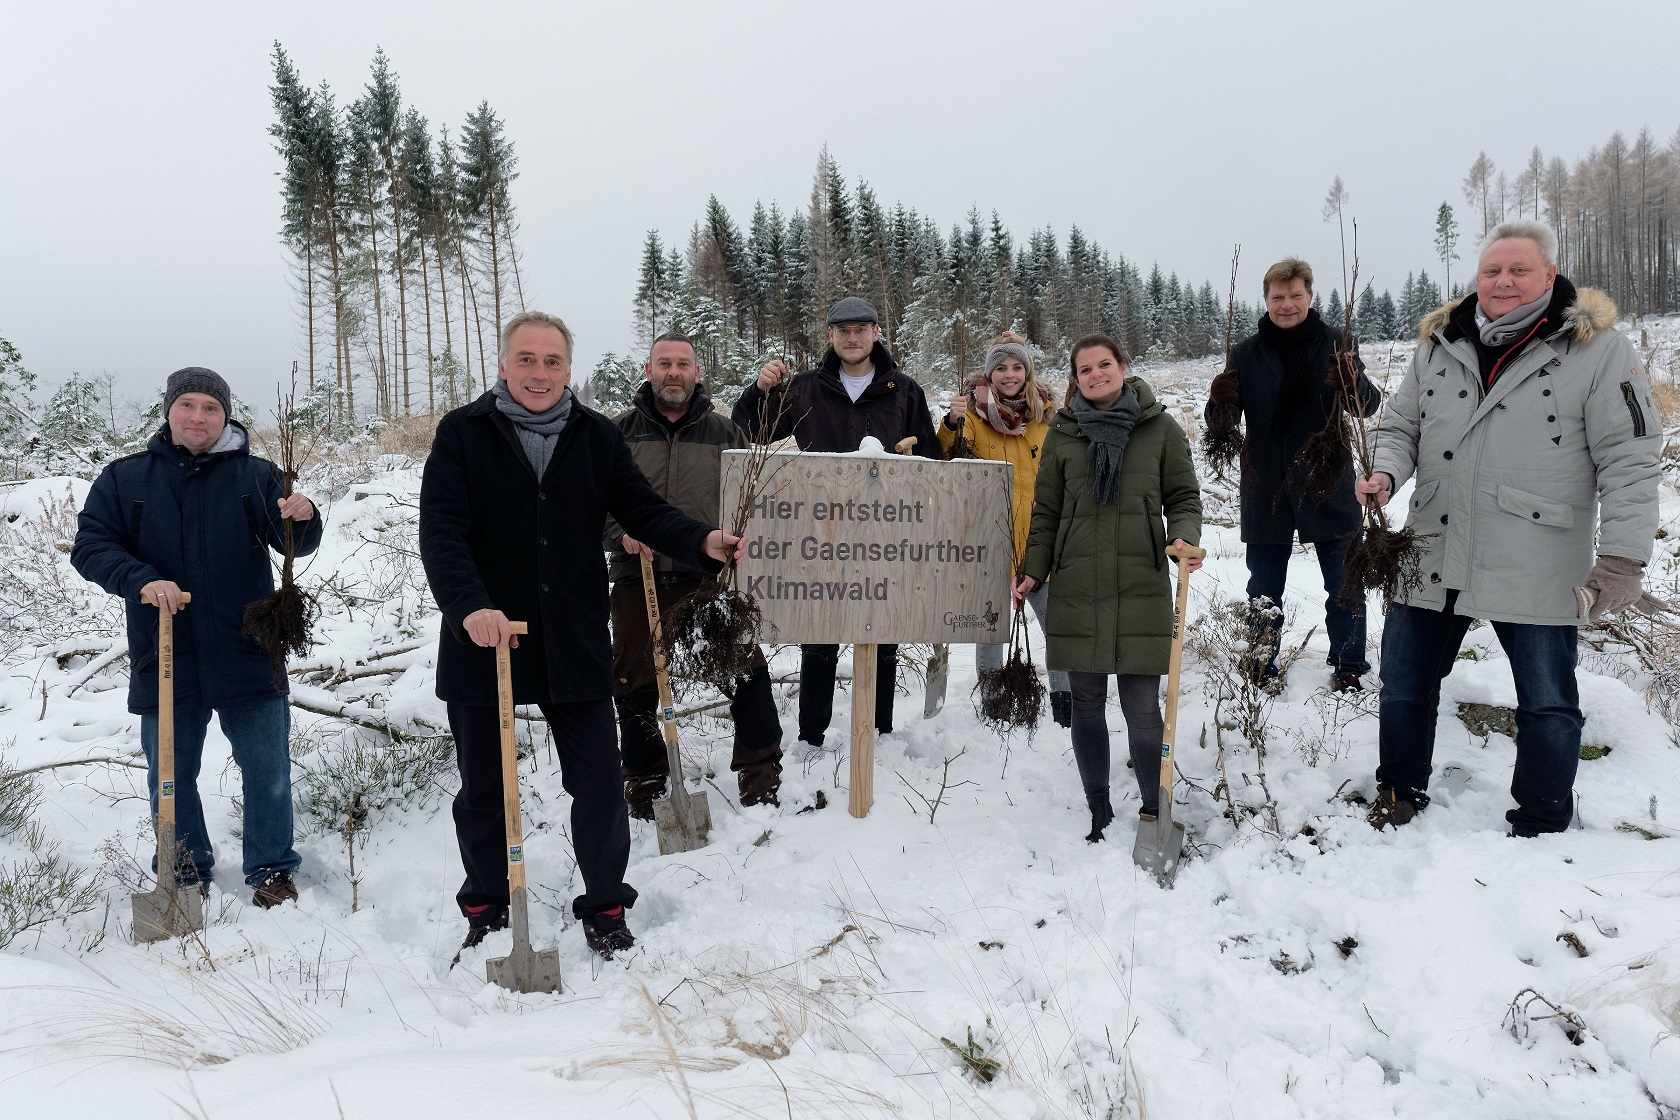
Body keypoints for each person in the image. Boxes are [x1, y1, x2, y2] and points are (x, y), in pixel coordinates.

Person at [419, 311, 743, 956]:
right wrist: (470, 608)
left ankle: (604, 903)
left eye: (553, 362)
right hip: (487, 636)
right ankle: (485, 901)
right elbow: (442, 532)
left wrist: (700, 540)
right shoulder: (464, 432)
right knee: (484, 786)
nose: (540, 373)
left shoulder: (595, 436)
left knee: (598, 781)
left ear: (570, 369)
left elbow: (642, 508)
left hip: (573, 634)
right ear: (504, 364)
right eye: (527, 359)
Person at [1356, 220, 1663, 836]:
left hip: (1538, 558)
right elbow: (1399, 428)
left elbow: (1630, 459)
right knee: (1403, 686)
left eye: (1519, 270)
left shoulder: (1599, 350)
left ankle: (1543, 818)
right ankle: (1399, 792)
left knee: (1548, 703)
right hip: (1435, 548)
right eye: (1492, 271)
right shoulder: (1439, 342)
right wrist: (1386, 474)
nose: (1503, 282)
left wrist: (1623, 560)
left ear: (1550, 276)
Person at [71, 367, 322, 908]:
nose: (198, 417)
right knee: (171, 773)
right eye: (188, 404)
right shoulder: (126, 479)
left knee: (267, 768)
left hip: (249, 646)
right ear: (168, 410)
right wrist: (140, 580)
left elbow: (291, 544)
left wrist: (303, 518)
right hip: (165, 648)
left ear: (225, 416)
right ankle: (184, 871)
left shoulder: (256, 475)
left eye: (211, 408)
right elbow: (90, 546)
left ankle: (272, 869)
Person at [1013, 335, 1203, 841]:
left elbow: (1183, 493)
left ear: (1123, 366)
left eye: (1104, 365)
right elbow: (1048, 510)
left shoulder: (1159, 428)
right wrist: (1034, 567)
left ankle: (1151, 807)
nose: (1096, 375)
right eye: (1084, 369)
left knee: (1142, 708)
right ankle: (1097, 807)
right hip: (1077, 583)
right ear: (1074, 379)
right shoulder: (1063, 432)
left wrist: (1184, 535)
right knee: (1087, 701)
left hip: (1141, 579)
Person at [732, 296, 939, 757]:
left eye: (860, 329)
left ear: (876, 333)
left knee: (883, 635)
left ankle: (880, 731)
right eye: (842, 330)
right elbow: (750, 429)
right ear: (830, 336)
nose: (851, 337)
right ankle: (811, 738)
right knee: (820, 634)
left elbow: (929, 461)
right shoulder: (805, 388)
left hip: (888, 530)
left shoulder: (903, 391)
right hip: (821, 530)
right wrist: (758, 390)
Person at [605, 331, 784, 817]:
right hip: (634, 574)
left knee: (746, 667)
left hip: (705, 576)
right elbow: (591, 502)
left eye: (683, 364)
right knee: (635, 678)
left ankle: (760, 770)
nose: (674, 373)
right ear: (648, 370)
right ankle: (644, 779)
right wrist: (620, 532)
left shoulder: (727, 434)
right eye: (664, 364)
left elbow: (749, 499)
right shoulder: (617, 433)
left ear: (697, 373)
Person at [1205, 257, 1382, 692]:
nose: (1287, 305)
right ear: (1266, 300)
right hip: (1266, 485)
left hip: (1328, 481)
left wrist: (1353, 380)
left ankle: (1349, 665)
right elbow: (1221, 424)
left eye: (1296, 296)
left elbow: (1368, 406)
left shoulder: (1337, 343)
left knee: (1344, 583)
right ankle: (1262, 665)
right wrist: (1218, 402)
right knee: (1264, 590)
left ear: (1309, 296)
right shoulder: (1245, 353)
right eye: (1278, 297)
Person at [938, 331, 1072, 726]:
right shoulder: (975, 418)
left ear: (1027, 371)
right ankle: (993, 701)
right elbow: (945, 456)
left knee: (1057, 627)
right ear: (989, 373)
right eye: (1001, 367)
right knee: (992, 628)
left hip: (1041, 545)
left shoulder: (1048, 418)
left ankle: (1063, 700)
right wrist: (951, 422)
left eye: (1016, 366)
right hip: (991, 542)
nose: (1009, 374)